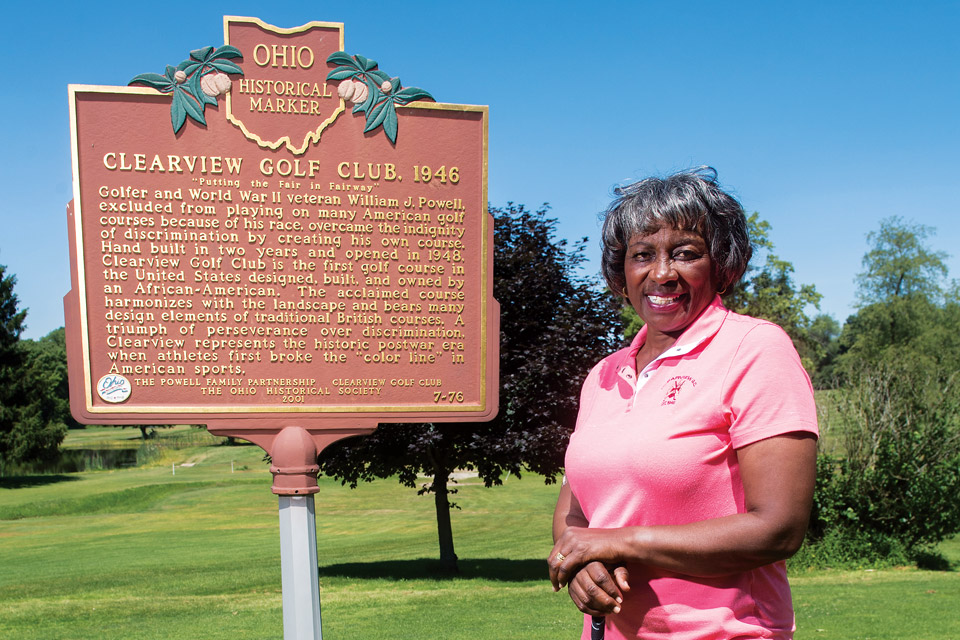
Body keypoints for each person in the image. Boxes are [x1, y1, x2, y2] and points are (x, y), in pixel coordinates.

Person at [548, 167, 818, 640]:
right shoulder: (603, 376)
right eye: (642, 255)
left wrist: (620, 543)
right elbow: (577, 511)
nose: (662, 273)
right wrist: (580, 565)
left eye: (686, 254)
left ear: (721, 265)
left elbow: (778, 528)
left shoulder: (754, 349)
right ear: (621, 271)